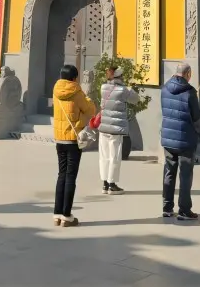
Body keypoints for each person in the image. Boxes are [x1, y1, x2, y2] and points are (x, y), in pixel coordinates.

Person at [52, 64, 95, 227]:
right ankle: (66, 215)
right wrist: (89, 99)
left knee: (61, 174)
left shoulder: (56, 90)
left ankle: (57, 213)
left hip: (59, 138)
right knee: (71, 177)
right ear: (74, 78)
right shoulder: (77, 92)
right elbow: (90, 110)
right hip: (73, 139)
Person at [160, 62, 200, 221]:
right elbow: (196, 116)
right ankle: (184, 210)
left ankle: (167, 207)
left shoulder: (164, 89)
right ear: (188, 74)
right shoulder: (190, 92)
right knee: (185, 175)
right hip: (185, 139)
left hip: (168, 137)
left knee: (169, 172)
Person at [98, 66, 139, 194]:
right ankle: (112, 184)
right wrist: (131, 87)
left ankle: (104, 184)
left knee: (104, 156)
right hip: (116, 129)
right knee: (114, 156)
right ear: (120, 76)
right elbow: (136, 99)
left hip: (104, 127)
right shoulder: (123, 90)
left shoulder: (103, 87)